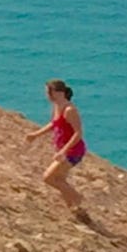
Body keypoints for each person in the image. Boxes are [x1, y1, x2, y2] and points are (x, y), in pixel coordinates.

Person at [33, 78, 91, 224]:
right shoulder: (56, 107)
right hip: (63, 150)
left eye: (48, 92)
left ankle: (78, 199)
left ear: (57, 92)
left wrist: (63, 151)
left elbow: (78, 133)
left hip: (73, 152)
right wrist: (36, 134)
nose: (47, 95)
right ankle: (75, 210)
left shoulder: (70, 110)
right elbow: (54, 124)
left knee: (48, 177)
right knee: (60, 180)